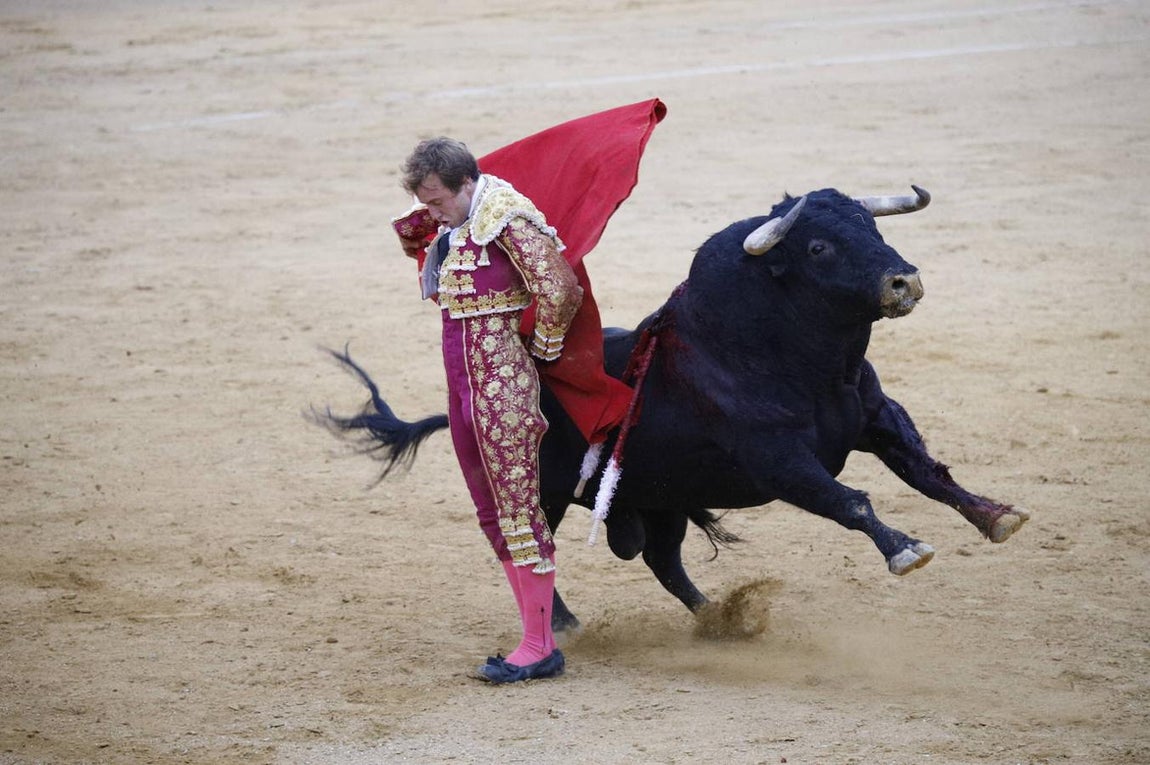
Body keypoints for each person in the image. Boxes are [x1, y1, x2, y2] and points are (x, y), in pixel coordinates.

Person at [391, 137, 581, 684]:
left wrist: (541, 351)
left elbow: (560, 289)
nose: (430, 212)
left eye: (437, 200)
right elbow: (411, 232)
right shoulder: (455, 223)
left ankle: (539, 645)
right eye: (427, 203)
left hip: (503, 392)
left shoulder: (508, 220)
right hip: (465, 389)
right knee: (490, 512)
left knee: (518, 511)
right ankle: (534, 634)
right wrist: (432, 212)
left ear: (466, 184)